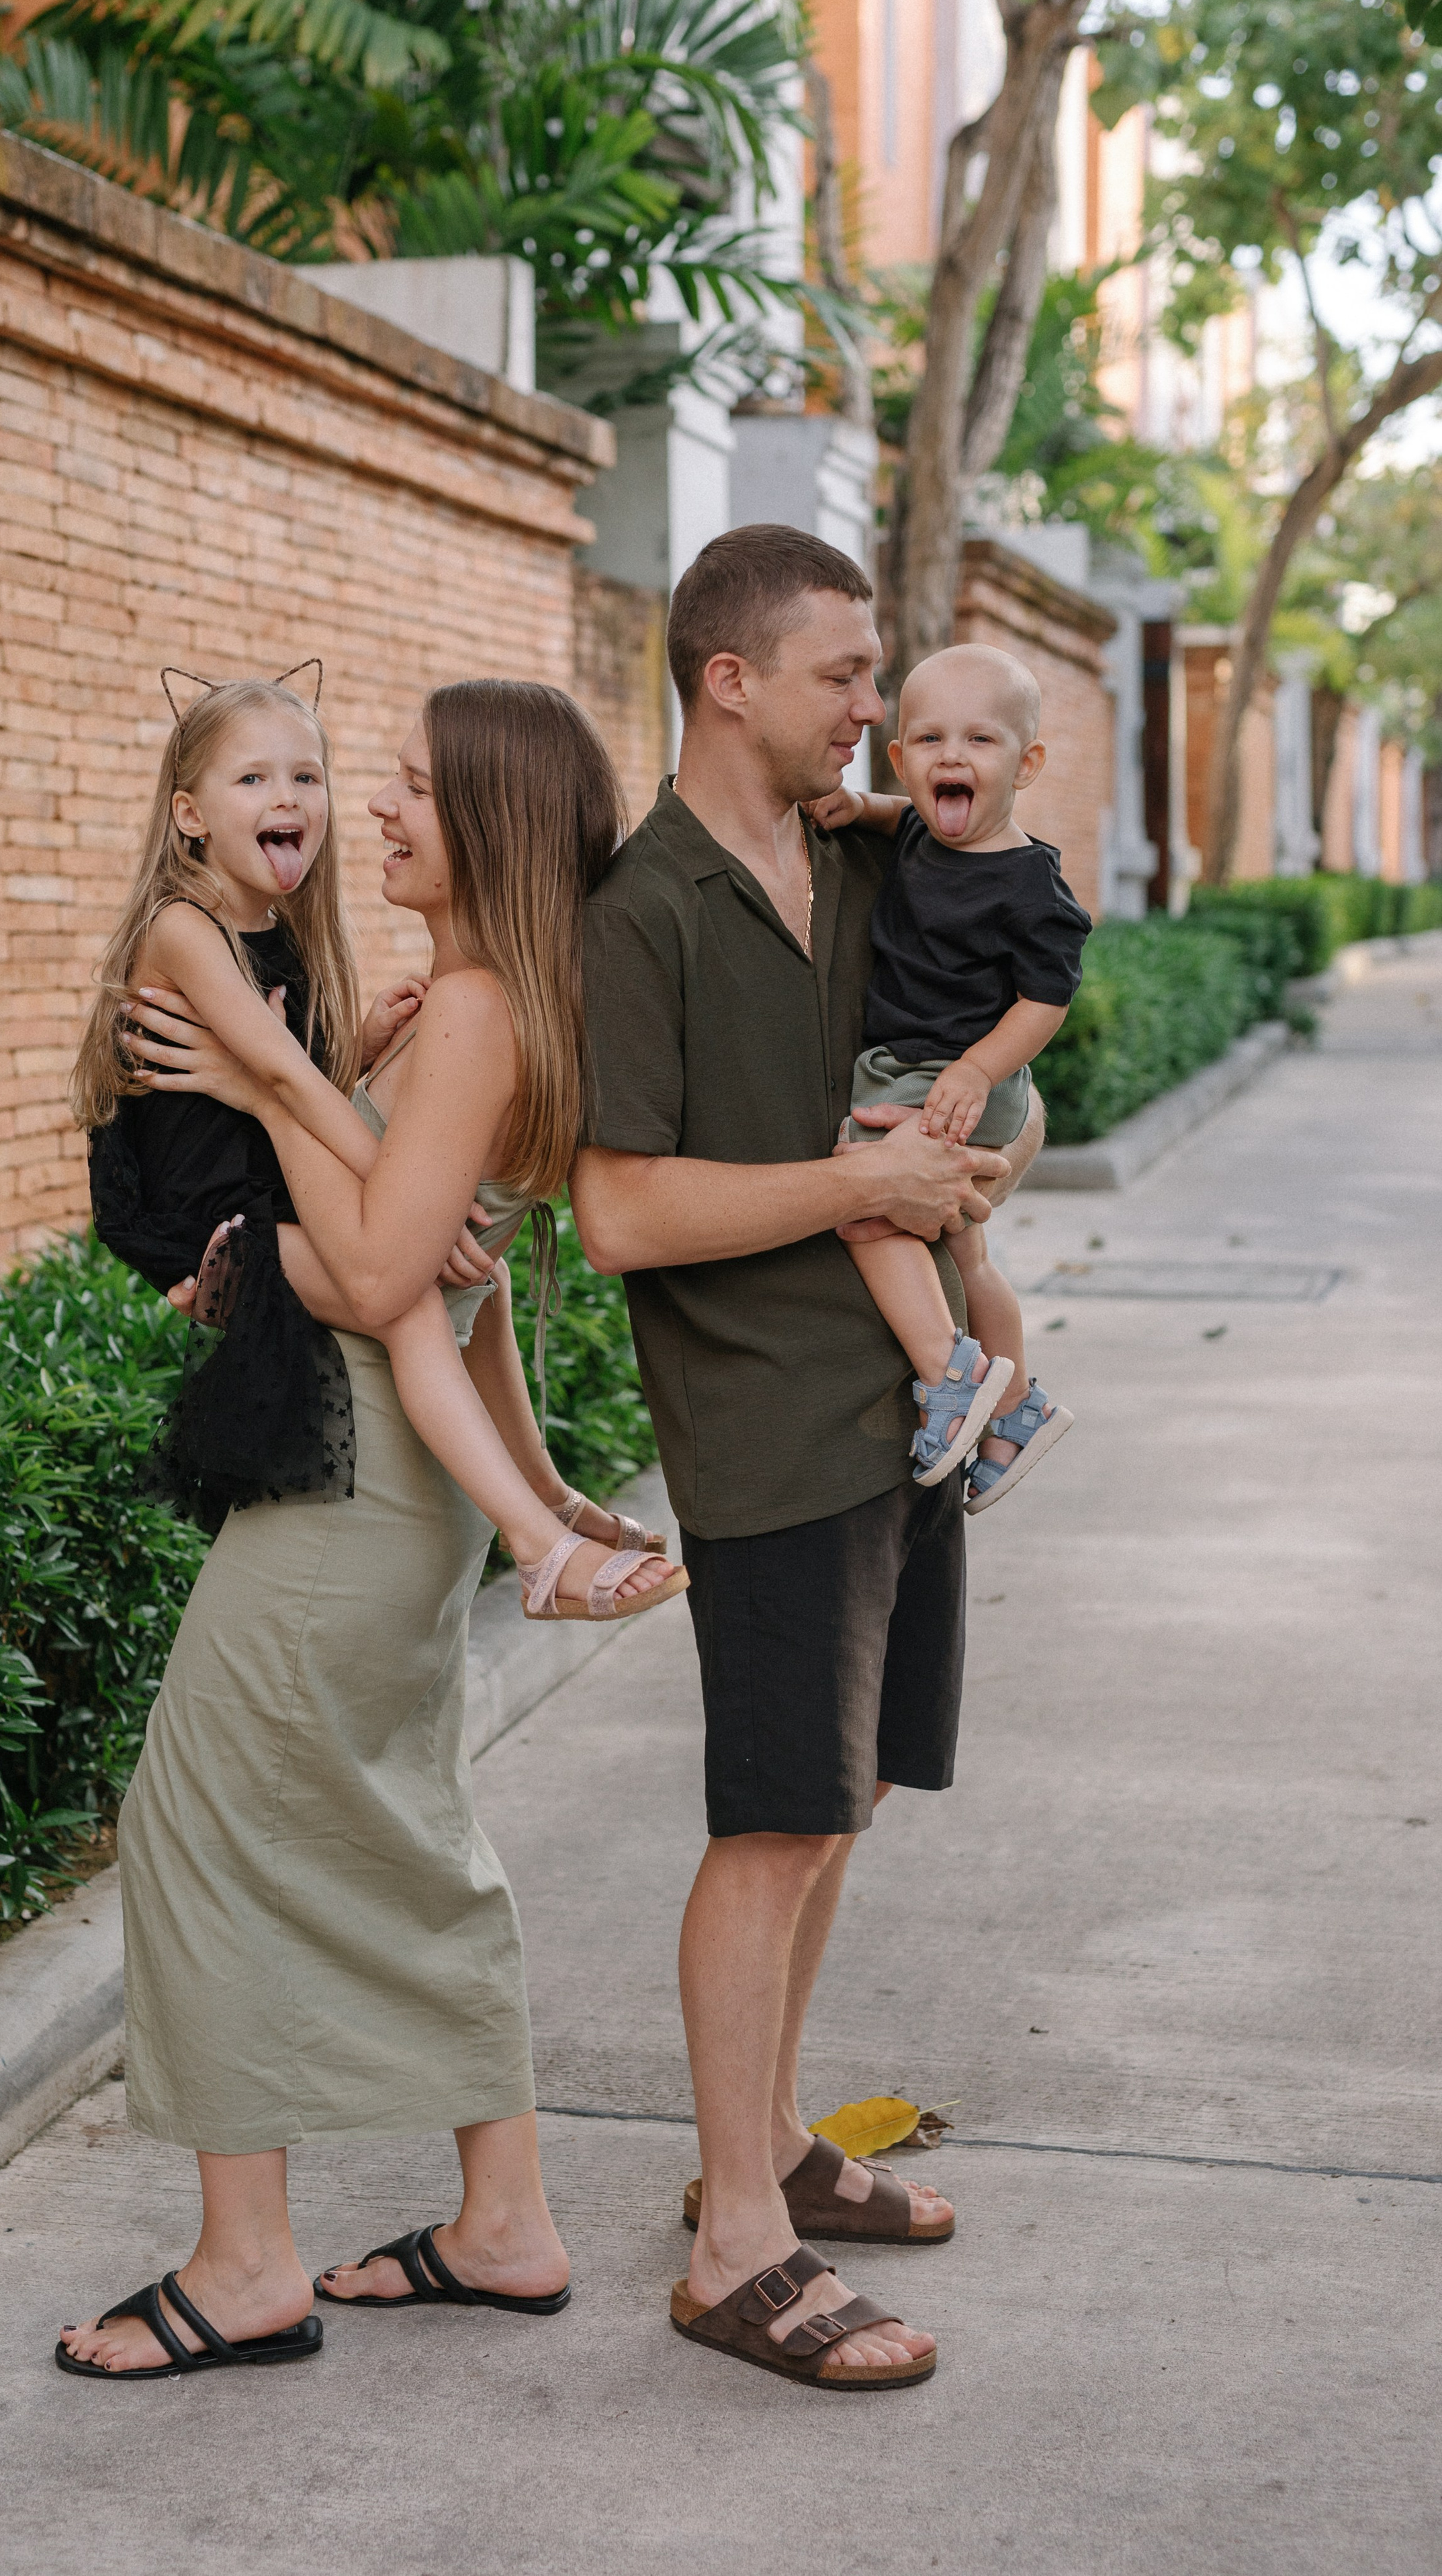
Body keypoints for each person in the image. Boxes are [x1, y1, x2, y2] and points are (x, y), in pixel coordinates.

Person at [56, 678, 659, 2382]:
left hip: (351, 1484)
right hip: (399, 1482)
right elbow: (448, 1299)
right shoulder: (488, 1004)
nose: (371, 811)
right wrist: (530, 1497)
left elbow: (389, 1278)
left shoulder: (460, 1011)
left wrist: (266, 1093)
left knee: (196, 1823)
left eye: (400, 787)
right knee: (399, 1831)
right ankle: (502, 2222)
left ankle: (246, 2266)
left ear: (487, 823)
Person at [570, 526, 1045, 2392]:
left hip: (898, 1410)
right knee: (768, 1823)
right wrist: (864, 1185)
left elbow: (985, 1037)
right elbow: (616, 1209)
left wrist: (975, 1187)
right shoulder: (650, 907)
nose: (878, 704)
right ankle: (733, 2246)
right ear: (730, 680)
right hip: (767, 1435)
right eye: (847, 673)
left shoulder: (863, 865)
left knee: (835, 1806)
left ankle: (767, 2147)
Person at [75, 666, 680, 1617]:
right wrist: (400, 1187)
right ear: (188, 816)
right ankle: (536, 1543)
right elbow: (274, 1082)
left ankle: (548, 1502)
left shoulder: (321, 948)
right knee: (419, 1305)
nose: (340, 801)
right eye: (254, 782)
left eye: (306, 778)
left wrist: (348, 1059)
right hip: (202, 1208)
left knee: (478, 1278)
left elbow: (282, 1081)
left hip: (251, 1201)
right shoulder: (186, 927)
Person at [805, 641, 1087, 1510]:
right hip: (918, 1067)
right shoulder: (923, 825)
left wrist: (977, 1067)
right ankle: (1017, 1405)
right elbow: (901, 819)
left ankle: (950, 1372)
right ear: (901, 760)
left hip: (954, 1076)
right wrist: (860, 806)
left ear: (1027, 763)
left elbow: (1048, 997)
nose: (952, 758)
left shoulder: (1030, 881)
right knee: (966, 1249)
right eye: (928, 741)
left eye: (981, 742)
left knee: (864, 1206)